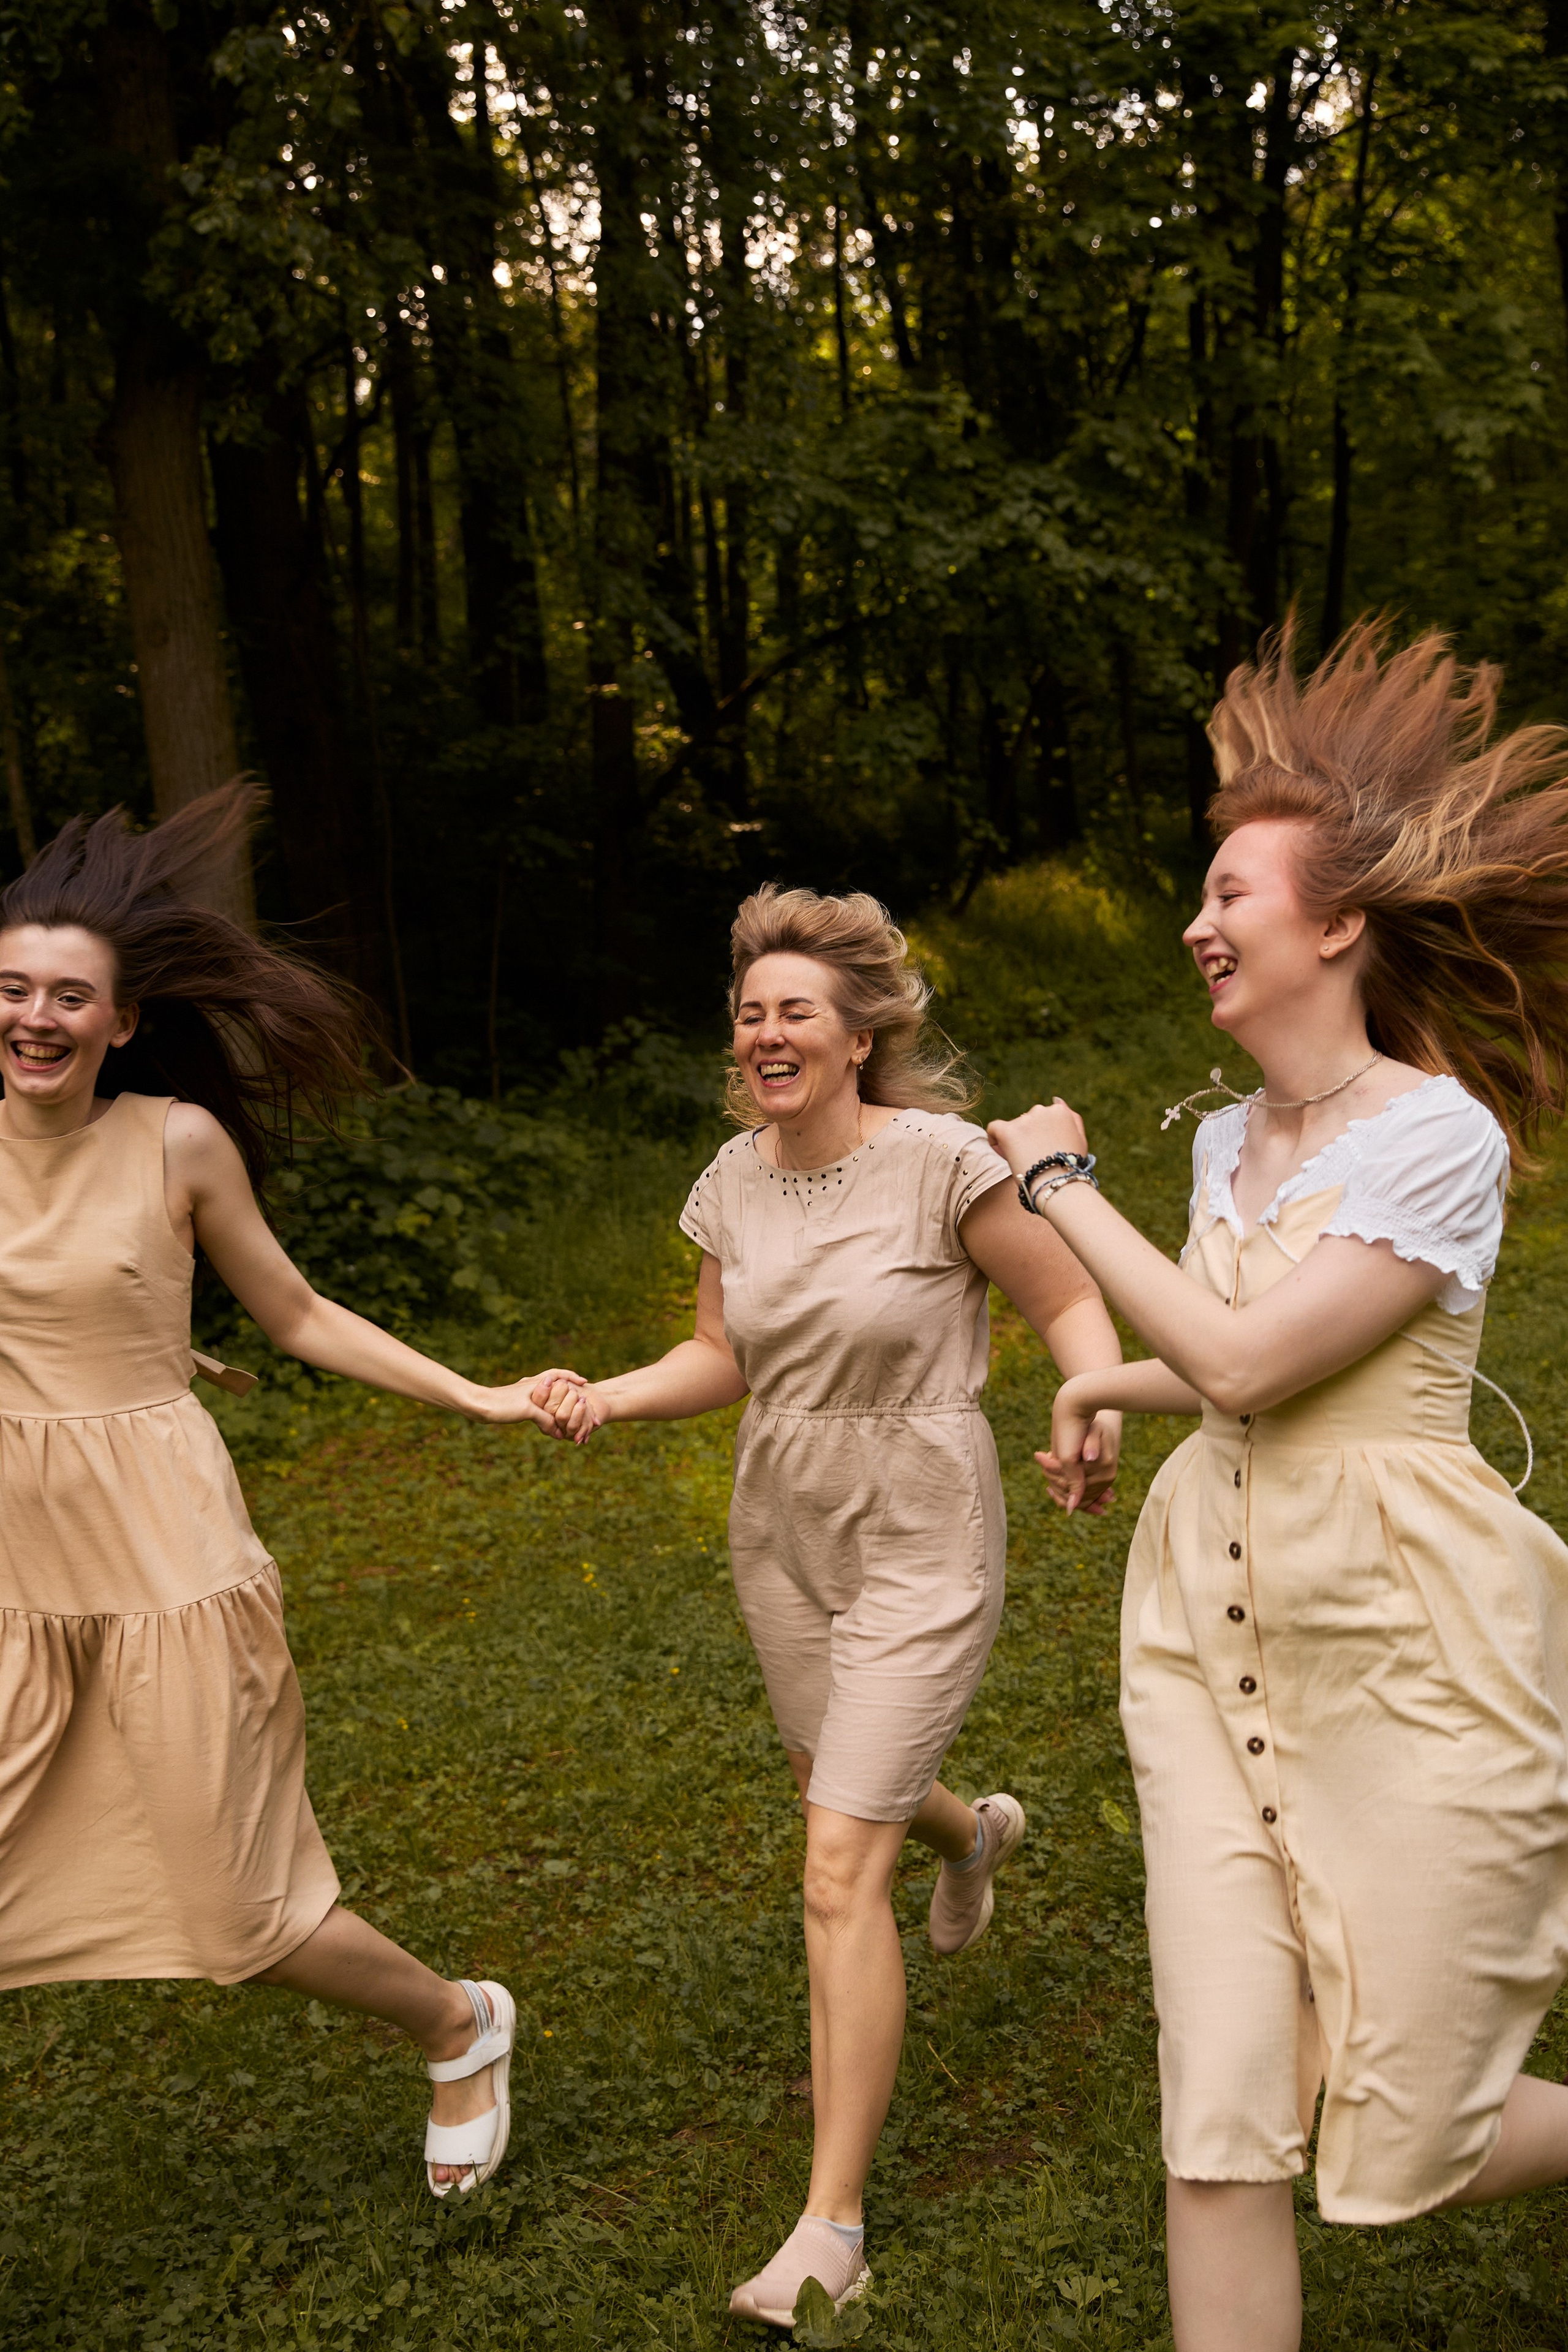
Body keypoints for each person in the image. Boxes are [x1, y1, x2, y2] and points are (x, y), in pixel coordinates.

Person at [987, 620, 1568, 2352]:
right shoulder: (1233, 1141)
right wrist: (1102, 1374)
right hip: (1207, 1631)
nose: (1198, 922)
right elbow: (1226, 1357)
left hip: (1406, 1641)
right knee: (1223, 2109)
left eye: (1231, 892)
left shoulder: (1441, 1135)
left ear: (1337, 925)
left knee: (1418, 2138)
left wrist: (1061, 1184)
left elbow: (1257, 1363)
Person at [538, 883, 1123, 2327]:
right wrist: (606, 1395)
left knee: (828, 1867)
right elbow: (719, 1355)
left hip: (920, 1518)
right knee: (834, 1789)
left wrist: (1089, 1394)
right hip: (781, 1519)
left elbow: (1063, 1300)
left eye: (795, 1009)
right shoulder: (731, 1178)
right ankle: (974, 1830)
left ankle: (829, 2230)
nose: (765, 1032)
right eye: (749, 1014)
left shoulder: (939, 1162)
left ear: (859, 1033)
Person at [0, 785, 581, 2199]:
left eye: (70, 996)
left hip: (164, 1559)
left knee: (238, 1912)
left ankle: (457, 2021)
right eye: (11, 988)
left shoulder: (176, 1144)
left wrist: (475, 1392)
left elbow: (303, 1317)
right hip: (15, 1572)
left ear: (123, 1023)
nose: (34, 1017)